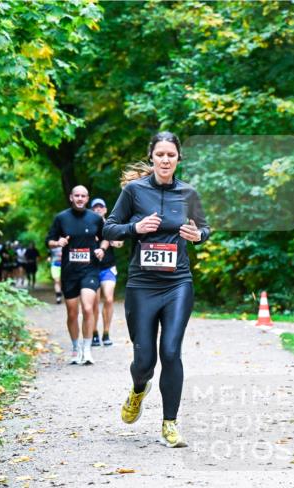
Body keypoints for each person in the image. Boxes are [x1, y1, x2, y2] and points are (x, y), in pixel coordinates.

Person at [102, 131, 210, 447]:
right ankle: (138, 388)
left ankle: (170, 424)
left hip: (178, 282)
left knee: (172, 351)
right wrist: (134, 228)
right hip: (142, 285)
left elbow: (204, 229)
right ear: (152, 156)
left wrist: (198, 236)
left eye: (171, 155)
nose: (165, 160)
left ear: (178, 159)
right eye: (160, 154)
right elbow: (109, 227)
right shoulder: (134, 191)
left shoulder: (188, 193)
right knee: (144, 360)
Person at [47, 185, 109, 365]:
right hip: (69, 271)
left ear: (87, 198)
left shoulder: (96, 218)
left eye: (83, 196)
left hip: (90, 269)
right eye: (77, 195)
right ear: (71, 197)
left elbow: (105, 237)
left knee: (88, 308)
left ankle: (88, 349)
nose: (80, 198)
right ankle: (76, 348)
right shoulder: (61, 218)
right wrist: (57, 242)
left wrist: (102, 249)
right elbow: (49, 241)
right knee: (72, 313)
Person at [90, 198, 121, 347]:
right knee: (94, 302)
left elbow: (120, 243)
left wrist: (115, 241)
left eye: (100, 207)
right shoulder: (87, 225)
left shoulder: (111, 225)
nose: (97, 209)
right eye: (94, 207)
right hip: (91, 268)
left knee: (108, 299)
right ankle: (94, 332)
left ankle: (106, 333)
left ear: (105, 210)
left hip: (108, 267)